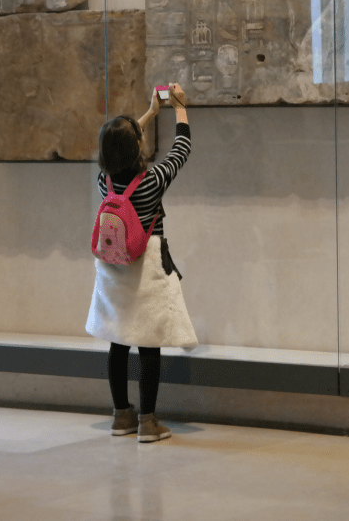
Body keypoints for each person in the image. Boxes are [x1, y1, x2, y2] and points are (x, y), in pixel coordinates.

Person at [86, 84, 197, 443]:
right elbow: (182, 149)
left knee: (118, 344)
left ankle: (121, 416)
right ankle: (148, 422)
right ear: (136, 148)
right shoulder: (151, 182)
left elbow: (121, 140)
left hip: (114, 270)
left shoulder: (105, 182)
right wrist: (179, 108)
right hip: (146, 267)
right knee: (149, 346)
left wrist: (150, 113)